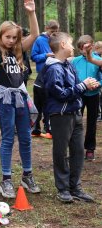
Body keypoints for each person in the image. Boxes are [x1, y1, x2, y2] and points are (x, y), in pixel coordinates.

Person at [0, 0, 40, 199]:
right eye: (8, 37)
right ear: (1, 36)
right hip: (6, 101)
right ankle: (6, 180)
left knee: (25, 138)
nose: (12, 40)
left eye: (15, 37)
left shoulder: (19, 52)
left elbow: (34, 34)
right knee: (8, 139)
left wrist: (31, 13)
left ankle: (27, 175)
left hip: (22, 98)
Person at [43, 32, 98, 203]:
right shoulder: (53, 68)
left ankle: (75, 187)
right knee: (60, 152)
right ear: (62, 46)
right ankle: (63, 189)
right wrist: (82, 86)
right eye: (70, 43)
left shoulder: (68, 65)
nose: (73, 47)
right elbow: (60, 94)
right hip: (61, 116)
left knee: (78, 151)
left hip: (75, 113)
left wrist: (88, 84)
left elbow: (75, 86)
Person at [71, 35, 102, 162]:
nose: (85, 51)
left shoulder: (98, 60)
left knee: (91, 122)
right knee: (76, 122)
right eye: (83, 48)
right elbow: (71, 77)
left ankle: (90, 149)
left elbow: (101, 78)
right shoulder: (75, 61)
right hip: (79, 95)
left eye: (88, 47)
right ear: (79, 49)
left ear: (93, 46)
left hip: (94, 95)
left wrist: (98, 84)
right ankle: (75, 148)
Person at [30, 20, 59, 138]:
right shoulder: (39, 40)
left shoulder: (56, 40)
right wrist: (45, 55)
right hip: (41, 76)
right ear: (46, 28)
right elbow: (33, 56)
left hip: (53, 74)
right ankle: (36, 128)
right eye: (52, 31)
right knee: (38, 104)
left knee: (49, 103)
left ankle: (48, 128)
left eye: (56, 31)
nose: (54, 33)